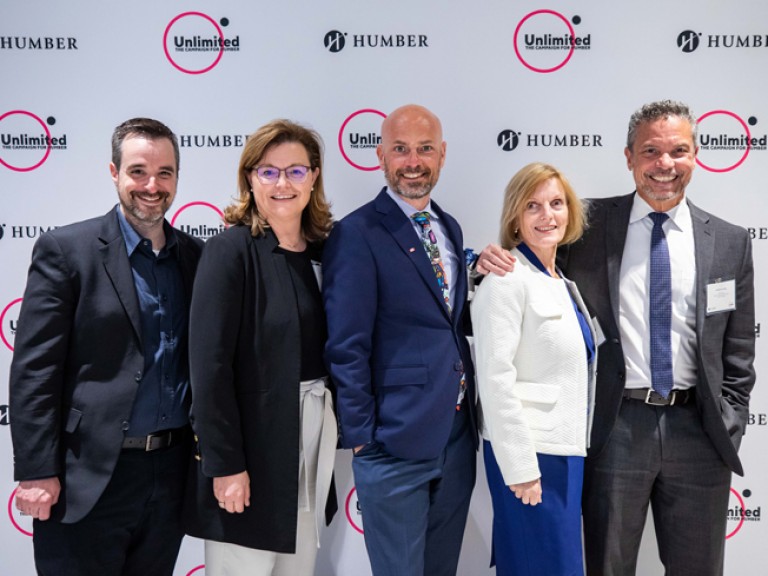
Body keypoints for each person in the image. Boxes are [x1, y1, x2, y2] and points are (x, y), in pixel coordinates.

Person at [477, 100, 756, 576]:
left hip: (700, 433)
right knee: (608, 566)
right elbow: (527, 269)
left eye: (678, 151)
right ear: (629, 157)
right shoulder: (584, 227)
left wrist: (729, 419)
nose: (664, 165)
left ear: (695, 156)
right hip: (615, 429)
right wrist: (480, 263)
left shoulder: (729, 240)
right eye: (651, 151)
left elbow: (738, 349)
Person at [9, 117, 203, 576]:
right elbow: (35, 370)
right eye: (138, 171)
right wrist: (36, 470)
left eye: (165, 173)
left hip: (170, 476)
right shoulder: (66, 250)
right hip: (88, 475)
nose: (151, 186)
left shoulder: (195, 258)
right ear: (113, 173)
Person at [323, 104, 478, 576]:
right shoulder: (355, 233)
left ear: (443, 155)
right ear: (380, 155)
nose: (414, 161)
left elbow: (447, 320)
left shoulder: (448, 226)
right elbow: (346, 345)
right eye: (401, 149)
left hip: (456, 438)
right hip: (392, 444)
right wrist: (364, 440)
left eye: (425, 149)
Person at [183, 119, 337, 576]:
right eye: (268, 171)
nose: (282, 183)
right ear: (249, 179)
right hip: (251, 449)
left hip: (313, 438)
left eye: (295, 170)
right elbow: (208, 370)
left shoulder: (328, 252)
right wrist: (225, 465)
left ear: (314, 177)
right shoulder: (229, 252)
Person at [471, 162, 595, 576]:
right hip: (531, 458)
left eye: (556, 203)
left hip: (565, 454)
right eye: (533, 206)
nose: (547, 216)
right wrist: (521, 468)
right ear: (515, 218)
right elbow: (494, 381)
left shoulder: (560, 280)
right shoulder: (506, 279)